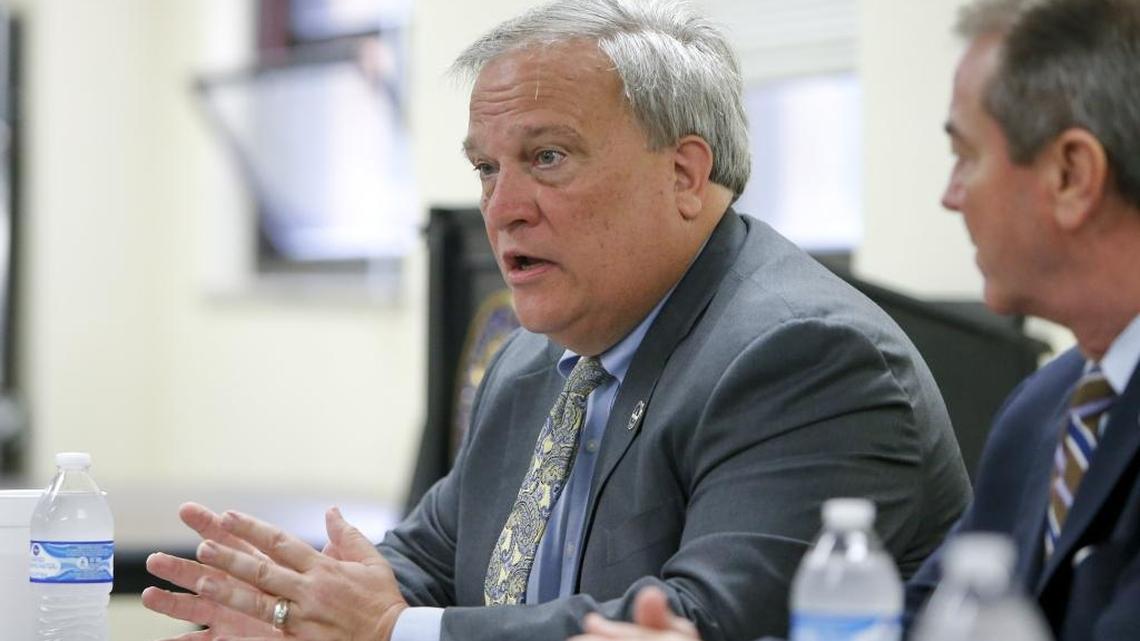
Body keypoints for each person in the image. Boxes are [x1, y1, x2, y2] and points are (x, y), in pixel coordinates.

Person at [139, 1, 970, 640]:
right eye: (485, 168)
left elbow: (694, 622)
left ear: (685, 174)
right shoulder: (535, 355)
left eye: (547, 158)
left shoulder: (806, 357)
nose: (502, 210)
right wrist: (307, 604)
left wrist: (392, 630)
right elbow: (429, 562)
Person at [569, 1, 1140, 640]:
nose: (951, 196)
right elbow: (915, 630)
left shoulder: (811, 350)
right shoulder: (1046, 410)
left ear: (1072, 174)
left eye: (967, 156)